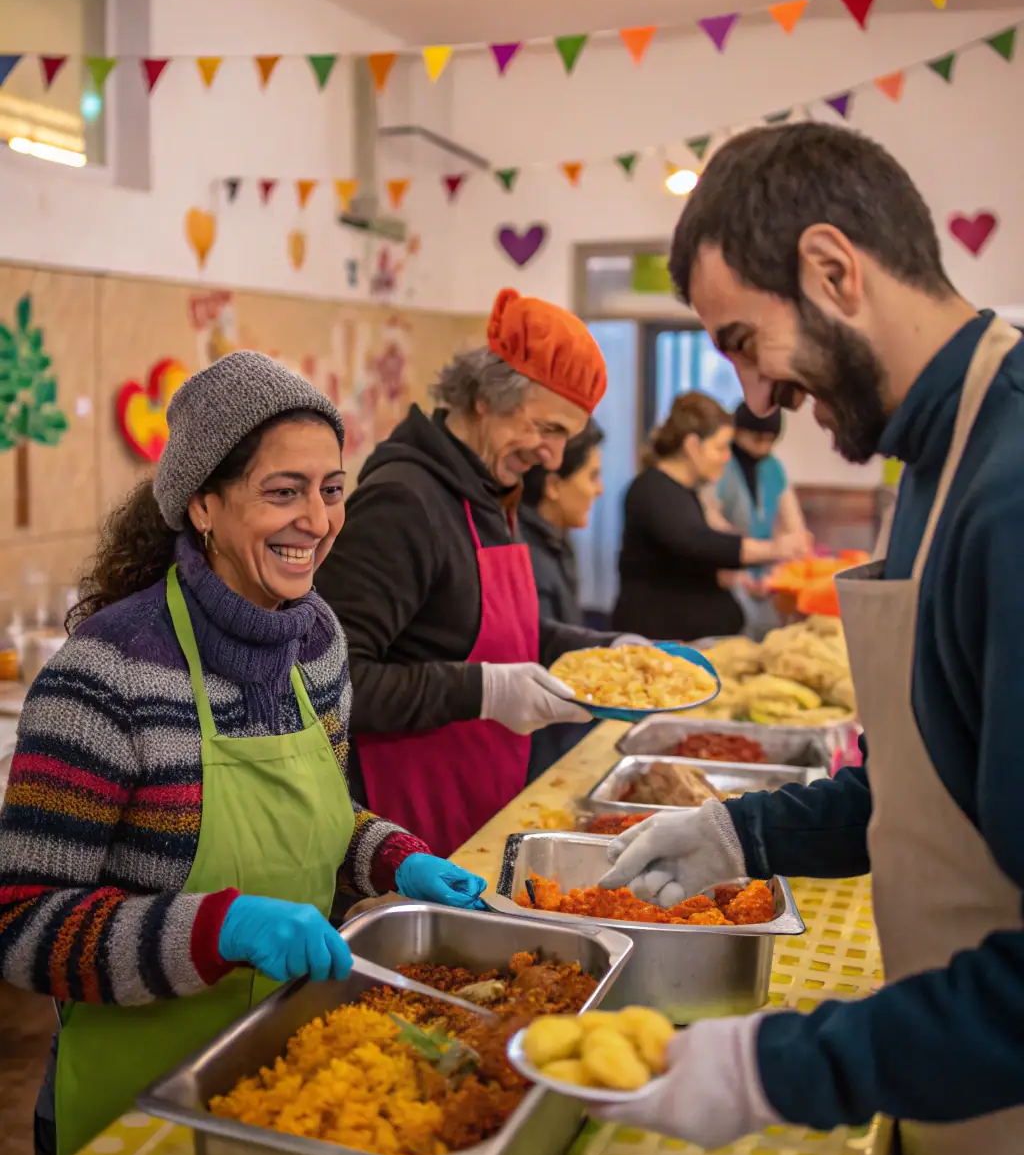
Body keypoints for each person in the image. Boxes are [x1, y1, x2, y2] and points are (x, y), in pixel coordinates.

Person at [594, 122, 1024, 1155]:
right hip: (961, 1084)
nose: (749, 397)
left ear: (834, 269)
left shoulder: (1013, 491)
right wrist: (740, 832)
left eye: (742, 340)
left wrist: (772, 1067)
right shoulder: (940, 456)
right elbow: (940, 783)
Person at [0, 351, 486, 1155]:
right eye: (282, 491)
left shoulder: (321, 641)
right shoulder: (107, 672)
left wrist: (394, 858)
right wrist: (218, 927)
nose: (319, 519)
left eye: (331, 489)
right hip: (137, 1104)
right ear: (203, 504)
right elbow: (22, 925)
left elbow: (323, 817)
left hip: (285, 1084)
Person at [316, 289, 626, 857]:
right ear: (486, 398)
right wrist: (481, 691)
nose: (554, 458)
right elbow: (330, 682)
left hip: (477, 808)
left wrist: (612, 651)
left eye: (566, 437)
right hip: (397, 831)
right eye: (547, 429)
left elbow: (507, 631)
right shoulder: (403, 502)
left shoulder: (490, 490)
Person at [612, 392, 805, 642]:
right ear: (693, 446)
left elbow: (690, 561)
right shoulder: (652, 489)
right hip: (663, 646)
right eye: (721, 447)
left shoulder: (684, 492)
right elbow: (698, 542)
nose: (727, 457)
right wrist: (776, 549)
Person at [519, 419, 605, 781]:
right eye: (592, 476)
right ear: (553, 486)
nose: (599, 490)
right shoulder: (526, 556)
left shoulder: (558, 540)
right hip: (539, 753)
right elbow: (547, 662)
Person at [714, 402, 812, 638]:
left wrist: (783, 561)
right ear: (739, 431)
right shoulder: (720, 466)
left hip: (768, 579)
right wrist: (741, 569)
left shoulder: (773, 468)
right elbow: (711, 527)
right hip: (728, 576)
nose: (764, 447)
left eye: (770, 440)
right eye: (757, 438)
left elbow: (794, 525)